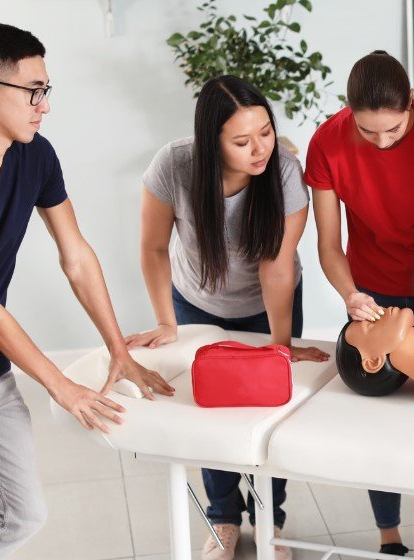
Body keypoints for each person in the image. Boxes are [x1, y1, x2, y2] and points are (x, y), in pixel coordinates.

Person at [0, 23, 173, 559]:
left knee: (23, 513)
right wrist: (59, 385)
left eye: (47, 91)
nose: (44, 105)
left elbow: (77, 257)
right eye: (33, 90)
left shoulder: (34, 155)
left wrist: (119, 351)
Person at [125, 75, 329, 560]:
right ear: (211, 141)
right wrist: (166, 322)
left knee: (267, 411)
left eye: (265, 132)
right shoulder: (174, 165)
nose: (259, 148)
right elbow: (153, 248)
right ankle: (222, 518)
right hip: (196, 303)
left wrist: (280, 345)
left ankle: (270, 520)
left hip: (268, 304)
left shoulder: (283, 173)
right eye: (242, 141)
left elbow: (276, 267)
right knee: (211, 411)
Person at [305, 50, 414, 560]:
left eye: (394, 131)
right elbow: (329, 244)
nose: (380, 142)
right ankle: (389, 539)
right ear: (348, 112)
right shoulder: (327, 143)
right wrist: (351, 295)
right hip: (370, 294)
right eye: (367, 130)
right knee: (378, 417)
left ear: (413, 106)